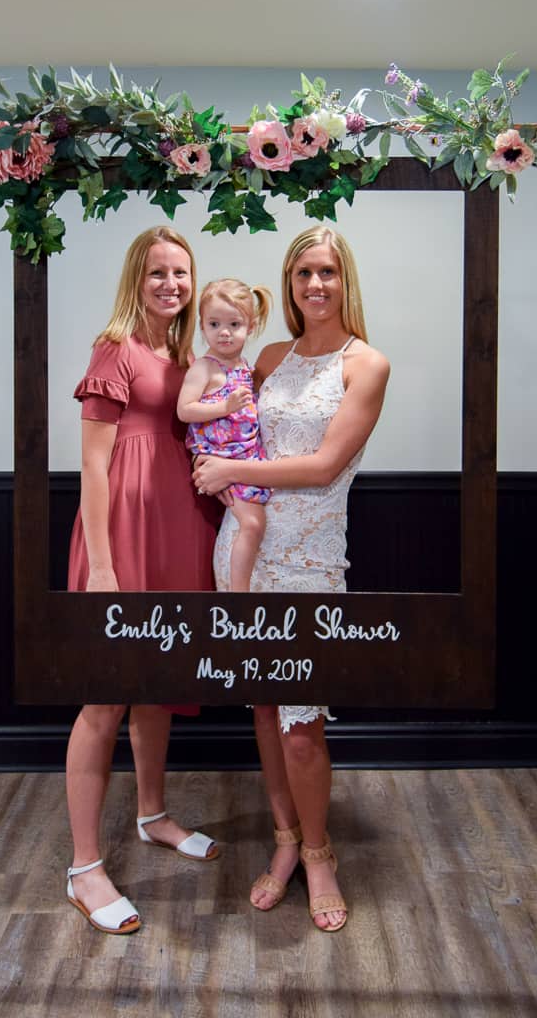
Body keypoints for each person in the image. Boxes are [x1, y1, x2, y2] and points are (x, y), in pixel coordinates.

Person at [193, 226, 390, 932]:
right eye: (304, 272)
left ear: (345, 281)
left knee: (303, 725)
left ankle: (319, 852)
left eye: (328, 273)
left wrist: (233, 471)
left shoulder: (365, 364)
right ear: (288, 282)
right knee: (264, 711)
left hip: (310, 559)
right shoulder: (268, 356)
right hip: (244, 550)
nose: (315, 285)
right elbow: (223, 428)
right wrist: (215, 471)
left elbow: (323, 466)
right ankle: (282, 844)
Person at [65, 226, 220, 936]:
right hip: (122, 533)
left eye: (181, 273)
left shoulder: (191, 353)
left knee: (160, 679)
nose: (171, 284)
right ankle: (85, 868)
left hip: (181, 527)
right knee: (105, 698)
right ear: (138, 277)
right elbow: (93, 466)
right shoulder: (114, 348)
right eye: (158, 272)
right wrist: (102, 566)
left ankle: (153, 813)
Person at [177, 278, 273, 591]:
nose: (225, 332)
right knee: (253, 523)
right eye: (214, 324)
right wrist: (224, 406)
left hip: (246, 457)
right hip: (223, 457)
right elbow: (185, 410)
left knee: (258, 522)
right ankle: (239, 591)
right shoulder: (205, 368)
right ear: (202, 326)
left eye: (234, 324)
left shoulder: (245, 366)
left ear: (251, 326)